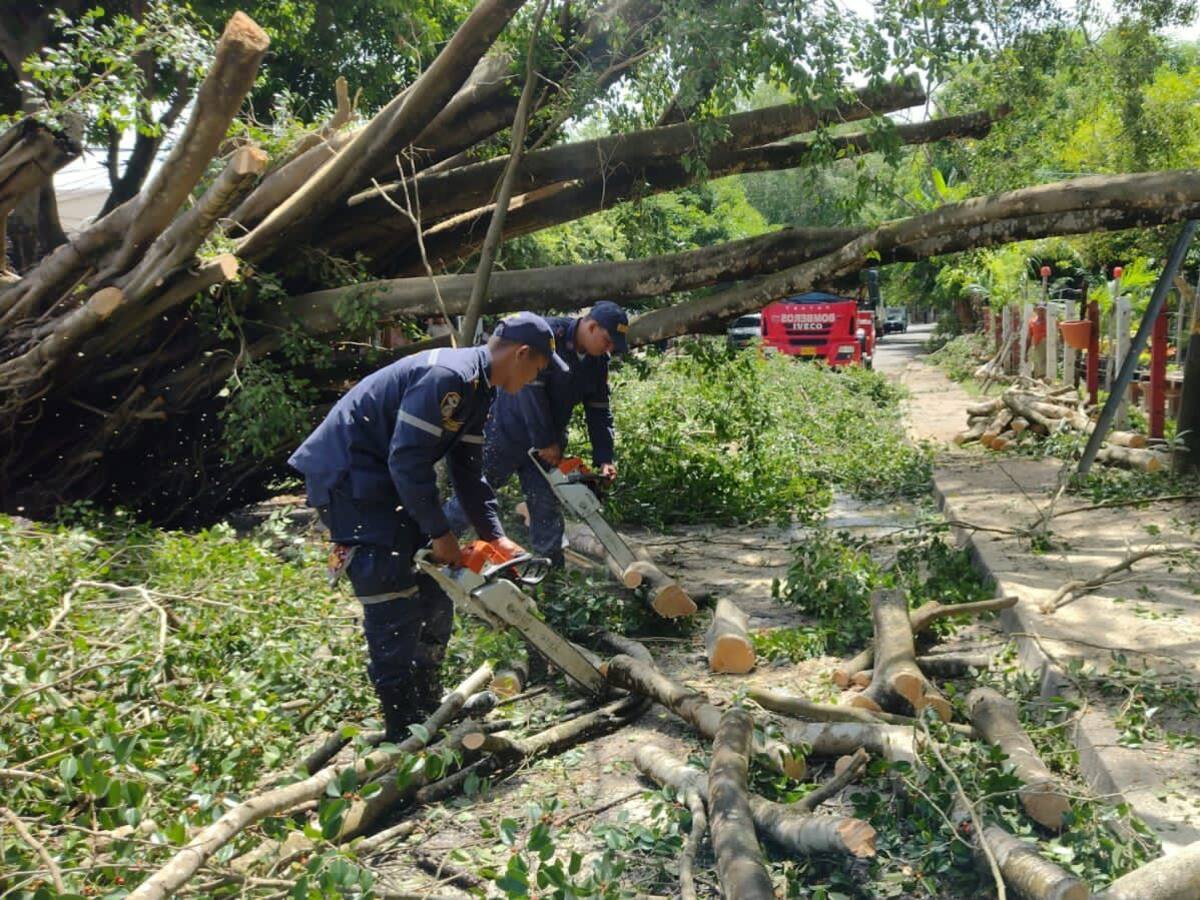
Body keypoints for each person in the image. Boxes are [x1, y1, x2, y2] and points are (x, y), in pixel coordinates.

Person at [288, 313, 568, 739]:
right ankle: (402, 724)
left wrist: (495, 536)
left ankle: (426, 705)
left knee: (434, 588)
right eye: (537, 369)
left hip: (388, 479)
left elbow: (468, 473)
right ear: (522, 354)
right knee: (392, 589)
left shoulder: (480, 390)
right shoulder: (448, 377)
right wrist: (440, 533)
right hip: (349, 477)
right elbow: (407, 459)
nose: (535, 379)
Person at [445, 301, 629, 566]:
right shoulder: (546, 335)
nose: (608, 348)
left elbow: (599, 410)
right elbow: (530, 392)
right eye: (607, 341)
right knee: (476, 494)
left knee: (545, 504)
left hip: (549, 440)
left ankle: (550, 568)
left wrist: (604, 458)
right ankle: (434, 545)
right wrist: (545, 441)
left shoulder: (598, 362)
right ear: (591, 326)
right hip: (506, 431)